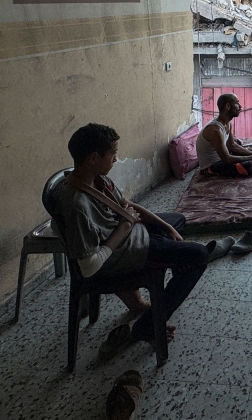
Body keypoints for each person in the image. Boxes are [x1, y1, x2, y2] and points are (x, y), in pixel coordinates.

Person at [50, 124, 208, 351]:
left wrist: (165, 227)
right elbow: (89, 267)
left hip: (132, 235)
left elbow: (127, 207)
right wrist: (124, 228)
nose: (116, 159)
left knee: (177, 222)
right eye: (113, 154)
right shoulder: (77, 205)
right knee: (198, 256)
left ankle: (162, 302)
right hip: (125, 251)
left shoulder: (96, 180)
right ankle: (148, 325)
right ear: (94, 158)